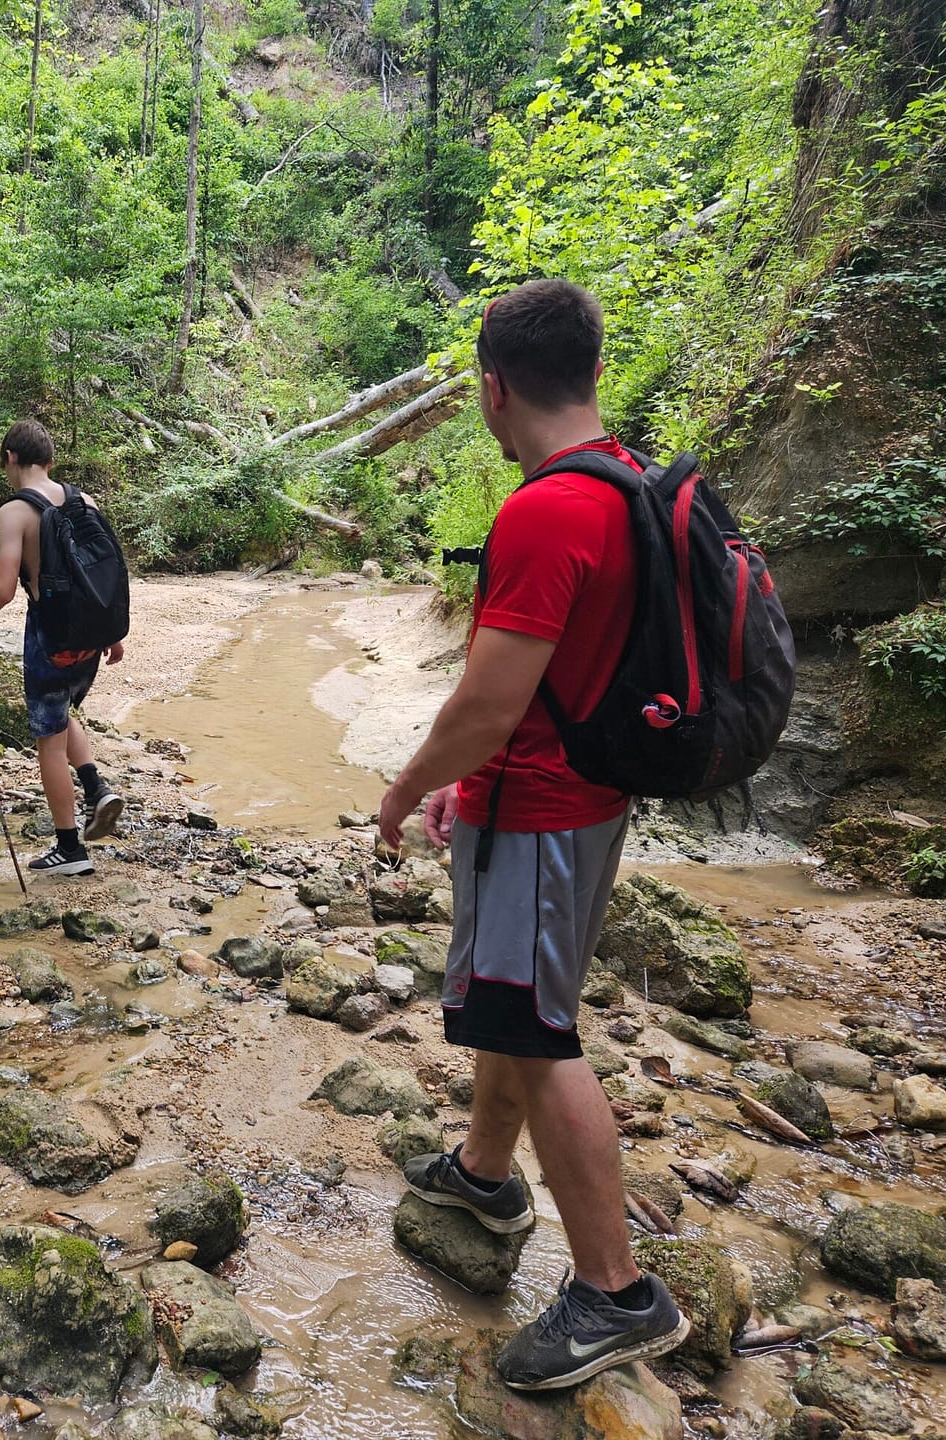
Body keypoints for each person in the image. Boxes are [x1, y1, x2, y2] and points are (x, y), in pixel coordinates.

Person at [376, 279, 689, 1390]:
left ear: (493, 389)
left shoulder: (547, 510)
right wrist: (472, 787)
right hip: (571, 804)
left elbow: (490, 705)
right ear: (596, 371)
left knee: (536, 1032)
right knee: (514, 1008)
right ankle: (484, 1173)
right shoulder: (628, 482)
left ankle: (616, 1292)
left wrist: (408, 788)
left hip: (542, 818)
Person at [0, 420, 125, 876]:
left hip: (51, 636)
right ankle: (96, 788)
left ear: (10, 457)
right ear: (51, 461)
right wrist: (111, 631)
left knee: (49, 742)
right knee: (62, 712)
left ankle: (70, 849)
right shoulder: (84, 500)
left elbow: (4, 590)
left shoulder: (14, 512)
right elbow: (104, 571)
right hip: (90, 635)